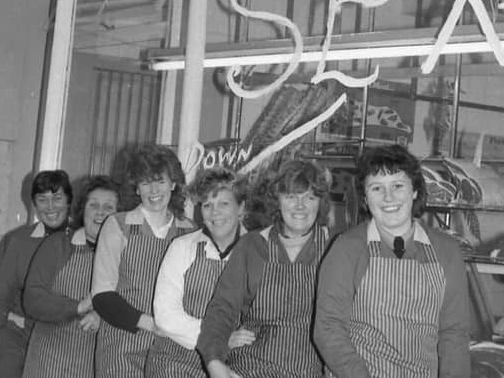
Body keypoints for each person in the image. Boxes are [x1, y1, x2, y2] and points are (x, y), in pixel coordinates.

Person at [314, 145, 470, 378]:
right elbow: (328, 328)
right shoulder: (347, 247)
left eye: (398, 185)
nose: (389, 197)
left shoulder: (446, 250)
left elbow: (454, 333)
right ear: (365, 198)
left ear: (415, 190)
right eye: (377, 188)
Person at [197, 159, 331, 378]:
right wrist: (214, 362)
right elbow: (222, 309)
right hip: (250, 368)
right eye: (290, 196)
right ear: (277, 201)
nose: (300, 206)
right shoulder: (252, 245)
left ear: (320, 202)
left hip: (310, 371)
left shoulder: (334, 248)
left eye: (309, 197)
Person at [91, 144, 195, 378]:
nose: (153, 190)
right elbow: (102, 296)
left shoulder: (189, 230)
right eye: (145, 182)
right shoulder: (118, 224)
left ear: (174, 184)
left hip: (172, 351)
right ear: (136, 188)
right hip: (121, 347)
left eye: (160, 181)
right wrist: (152, 324)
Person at [146, 167, 251, 378]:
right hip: (174, 365)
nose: (215, 212)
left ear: (241, 208)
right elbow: (165, 315)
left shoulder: (258, 252)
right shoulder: (182, 247)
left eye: (224, 203)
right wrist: (220, 337)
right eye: (207, 205)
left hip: (234, 367)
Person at [0, 170, 74, 378]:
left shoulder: (81, 240)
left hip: (62, 336)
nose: (50, 206)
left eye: (57, 198)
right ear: (34, 205)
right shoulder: (18, 241)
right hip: (17, 334)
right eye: (42, 199)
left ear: (69, 201)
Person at [21, 175, 120, 378]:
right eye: (93, 205)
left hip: (94, 366)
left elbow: (136, 303)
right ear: (83, 210)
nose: (100, 211)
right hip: (47, 363)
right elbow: (32, 299)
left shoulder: (126, 254)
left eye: (109, 207)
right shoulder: (58, 245)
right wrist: (78, 307)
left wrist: (103, 315)